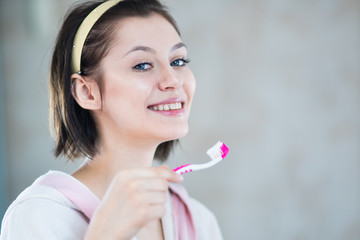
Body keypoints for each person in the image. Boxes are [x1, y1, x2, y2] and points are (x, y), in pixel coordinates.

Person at [0, 0, 223, 239]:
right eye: (143, 65)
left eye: (178, 61)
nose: (173, 80)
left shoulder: (198, 221)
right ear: (87, 92)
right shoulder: (39, 216)